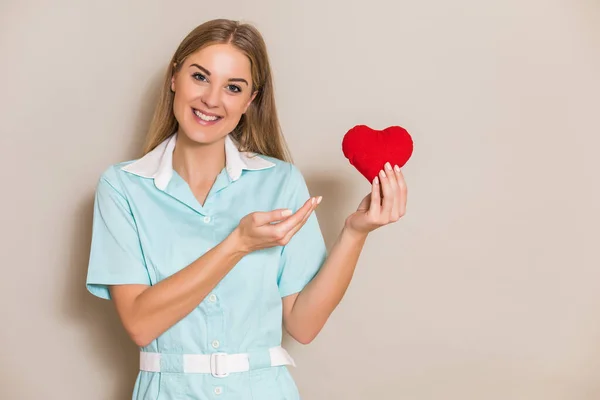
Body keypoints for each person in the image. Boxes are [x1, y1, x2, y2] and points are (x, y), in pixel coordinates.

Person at [86, 18, 407, 400]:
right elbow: (140, 323)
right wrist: (237, 243)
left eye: (233, 87)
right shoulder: (123, 187)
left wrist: (355, 232)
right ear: (175, 78)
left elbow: (303, 325)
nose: (212, 99)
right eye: (200, 77)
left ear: (250, 100)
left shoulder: (281, 182)